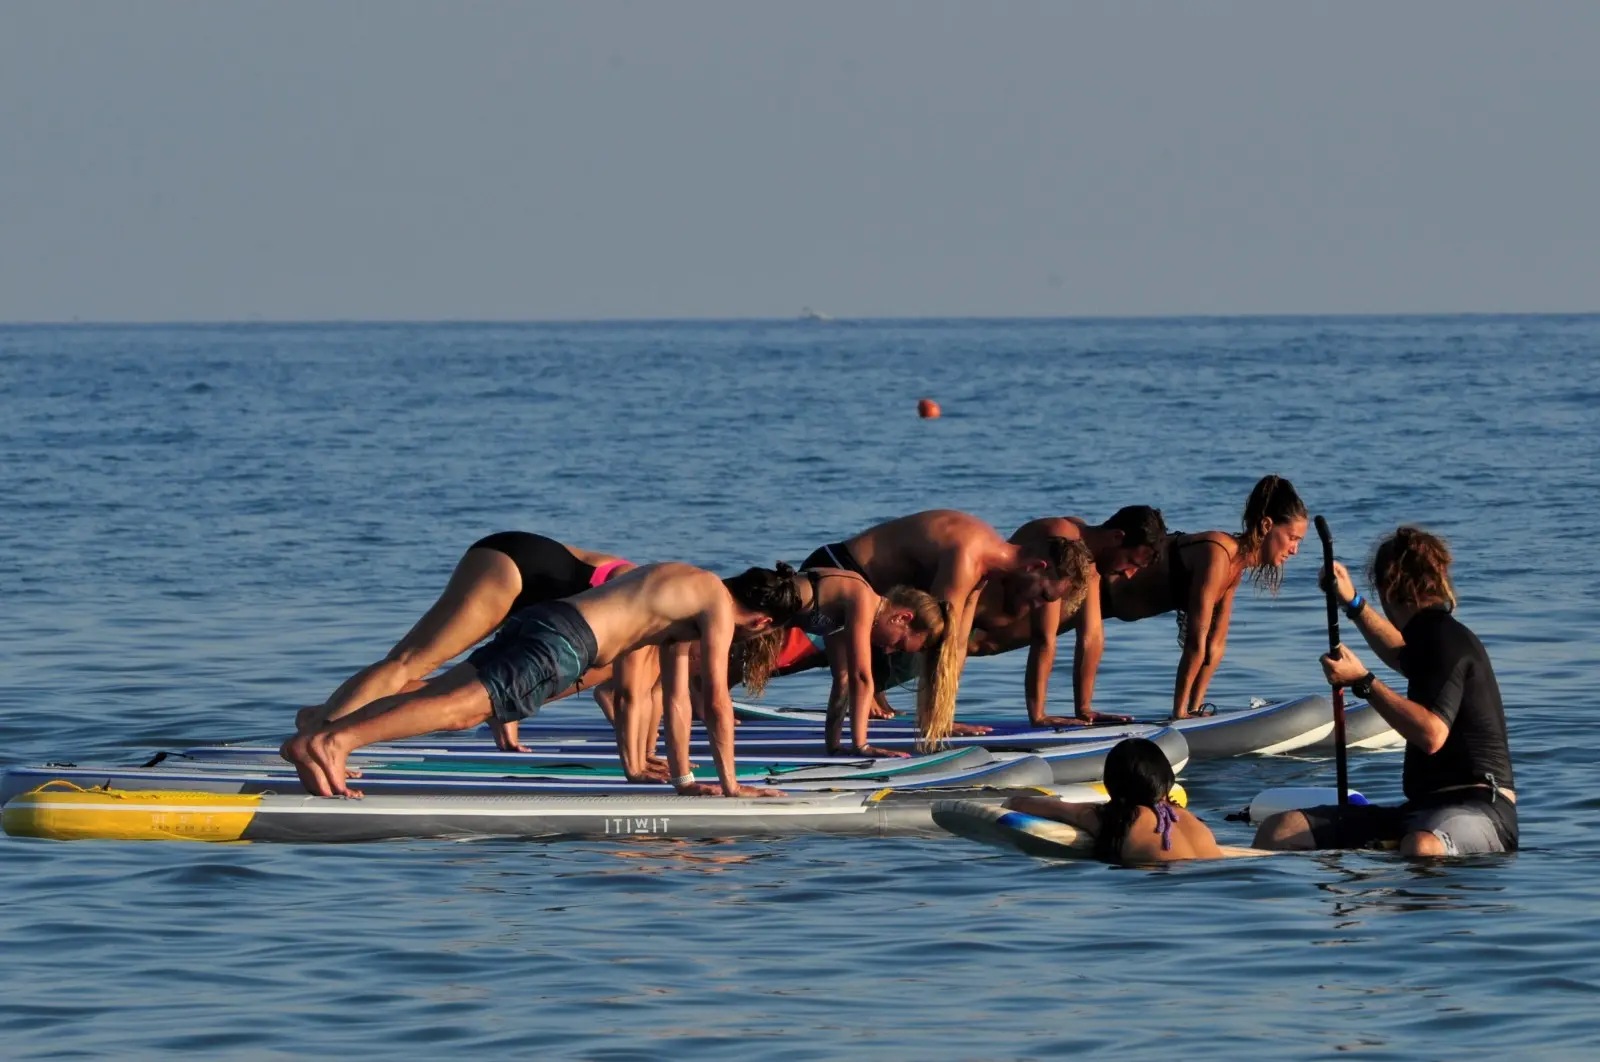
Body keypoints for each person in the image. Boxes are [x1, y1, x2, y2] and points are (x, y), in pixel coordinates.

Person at [281, 562, 805, 800]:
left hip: (545, 618)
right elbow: (714, 699)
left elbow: (674, 702)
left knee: (442, 696)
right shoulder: (714, 603)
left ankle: (316, 738)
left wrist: (685, 781)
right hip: (568, 642)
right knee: (463, 710)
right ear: (762, 621)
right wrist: (733, 789)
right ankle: (336, 740)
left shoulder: (682, 582)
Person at [1254, 527, 1517, 857]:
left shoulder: (1447, 641)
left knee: (1421, 846)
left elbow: (1431, 734)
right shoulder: (1429, 637)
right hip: (1421, 809)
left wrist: (1363, 682)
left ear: (1390, 590)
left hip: (1482, 811)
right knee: (1279, 830)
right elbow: (1399, 653)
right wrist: (1353, 603)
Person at [299, 531, 636, 752]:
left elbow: (527, 672)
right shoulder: (647, 626)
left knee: (428, 677)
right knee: (408, 664)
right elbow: (621, 697)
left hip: (522, 563)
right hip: (524, 569)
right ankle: (323, 737)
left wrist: (503, 715)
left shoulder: (658, 606)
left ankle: (322, 718)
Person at [802, 509, 1084, 744]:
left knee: (851, 679)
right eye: (1044, 595)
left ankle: (843, 745)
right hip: (836, 571)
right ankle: (848, 751)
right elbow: (939, 645)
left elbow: (958, 643)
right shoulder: (968, 558)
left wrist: (944, 717)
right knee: (849, 678)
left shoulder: (987, 565)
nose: (1037, 606)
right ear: (1035, 567)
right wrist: (933, 723)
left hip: (863, 588)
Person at [1101, 476, 1307, 719]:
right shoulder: (1218, 554)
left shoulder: (1235, 569)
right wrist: (1179, 712)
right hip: (1100, 590)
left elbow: (1215, 647)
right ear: (1266, 525)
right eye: (1292, 538)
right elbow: (1195, 642)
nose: (1295, 550)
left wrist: (1194, 710)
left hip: (1115, 606)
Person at [969, 506, 1167, 726]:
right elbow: (1043, 637)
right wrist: (1038, 717)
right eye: (1131, 562)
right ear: (1116, 537)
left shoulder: (1087, 557)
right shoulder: (1061, 537)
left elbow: (1091, 636)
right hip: (969, 634)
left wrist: (1084, 710)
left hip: (992, 639)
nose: (1129, 574)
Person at [736, 571, 949, 757]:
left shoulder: (844, 611)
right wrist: (862, 745)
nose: (888, 651)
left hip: (752, 622)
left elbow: (844, 679)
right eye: (899, 643)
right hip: (744, 603)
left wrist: (834, 746)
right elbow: (862, 677)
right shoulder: (862, 599)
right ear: (902, 617)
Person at [1004, 738, 1223, 864]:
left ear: (1114, 784)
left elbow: (1058, 809)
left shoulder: (1120, 818)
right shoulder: (1190, 819)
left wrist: (1014, 802)